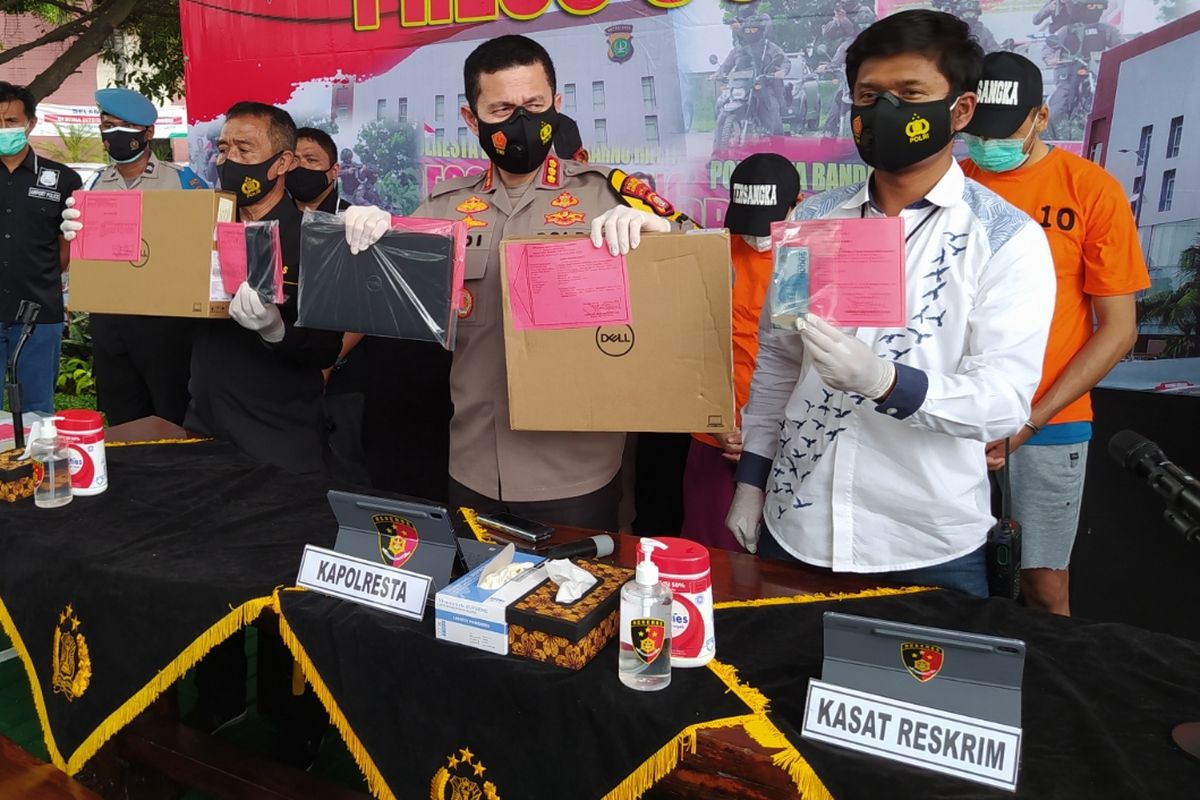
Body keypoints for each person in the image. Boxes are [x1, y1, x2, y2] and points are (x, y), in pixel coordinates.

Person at [726, 10, 1056, 597]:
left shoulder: (1005, 237)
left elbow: (1004, 402)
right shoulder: (810, 223)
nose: (886, 112)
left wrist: (886, 381)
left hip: (926, 542)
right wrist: (752, 478)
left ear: (960, 110)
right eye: (869, 96)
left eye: (910, 94)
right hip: (797, 523)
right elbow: (778, 361)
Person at [411, 34, 679, 530]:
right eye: (502, 109)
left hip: (575, 472)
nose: (521, 122)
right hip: (472, 463)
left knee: (576, 603)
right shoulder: (441, 209)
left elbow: (702, 284)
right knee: (474, 602)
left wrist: (666, 238)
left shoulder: (606, 195)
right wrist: (362, 239)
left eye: (534, 105)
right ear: (472, 119)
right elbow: (392, 305)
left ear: (556, 105)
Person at [961, 52, 1148, 615]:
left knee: (1042, 582)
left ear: (1041, 117)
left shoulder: (1091, 190)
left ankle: (1052, 697)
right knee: (949, 578)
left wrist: (1029, 420)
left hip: (1048, 423)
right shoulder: (950, 184)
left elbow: (1118, 330)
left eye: (1005, 130)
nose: (988, 143)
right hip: (949, 416)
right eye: (977, 130)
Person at [682, 153, 800, 551]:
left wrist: (772, 435)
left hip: (790, 440)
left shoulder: (805, 258)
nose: (753, 236)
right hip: (717, 437)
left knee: (781, 565)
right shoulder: (713, 251)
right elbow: (687, 350)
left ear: (795, 206)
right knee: (711, 557)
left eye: (766, 221)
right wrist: (715, 423)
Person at [85, 88, 207, 426]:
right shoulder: (94, 185)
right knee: (121, 413)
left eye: (124, 125)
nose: (114, 134)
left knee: (172, 411)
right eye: (107, 125)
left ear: (148, 132)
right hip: (110, 317)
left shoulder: (183, 182)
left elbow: (204, 244)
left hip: (164, 321)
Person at [0, 82, 81, 415]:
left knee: (37, 413)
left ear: (30, 123)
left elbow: (66, 252)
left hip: (37, 316)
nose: (3, 130)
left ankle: (36, 469)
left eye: (11, 122)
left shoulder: (62, 179)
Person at [713, 13, 789, 137]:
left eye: (753, 29)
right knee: (722, 114)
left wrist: (782, 71)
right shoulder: (738, 49)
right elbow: (727, 64)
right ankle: (717, 153)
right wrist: (718, 74)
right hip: (741, 87)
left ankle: (778, 150)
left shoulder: (769, 47)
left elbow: (785, 61)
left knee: (774, 118)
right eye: (747, 29)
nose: (750, 32)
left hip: (763, 85)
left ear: (761, 31)